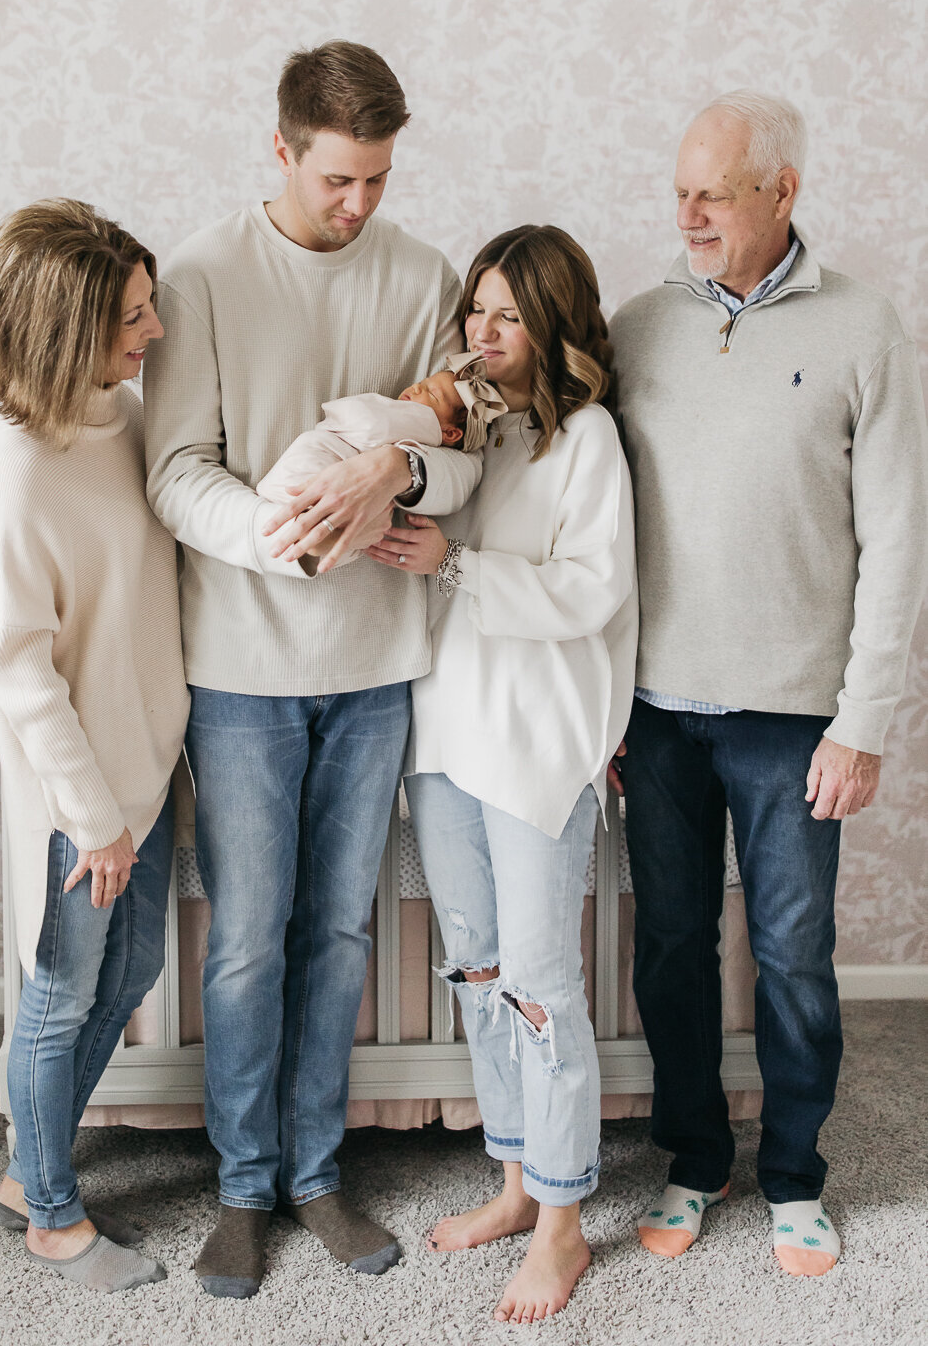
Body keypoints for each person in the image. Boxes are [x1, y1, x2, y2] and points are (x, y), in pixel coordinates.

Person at [143, 40, 481, 1298]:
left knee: (338, 928)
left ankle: (316, 1172)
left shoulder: (425, 272)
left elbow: (467, 452)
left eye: (379, 177)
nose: (360, 204)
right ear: (280, 148)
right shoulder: (202, 274)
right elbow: (173, 468)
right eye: (339, 177)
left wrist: (390, 473)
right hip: (240, 666)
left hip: (378, 661)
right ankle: (240, 1188)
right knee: (246, 943)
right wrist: (284, 537)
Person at [609, 91, 928, 1275]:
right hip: (654, 709)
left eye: (712, 193)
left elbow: (897, 540)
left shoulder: (863, 330)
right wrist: (597, 706)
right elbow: (585, 524)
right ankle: (694, 1161)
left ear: (780, 193)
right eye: (679, 189)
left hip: (795, 718)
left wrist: (863, 723)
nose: (684, 212)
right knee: (672, 946)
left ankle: (793, 1174)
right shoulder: (635, 326)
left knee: (792, 952)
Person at [372, 226, 637, 1324]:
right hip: (446, 742)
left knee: (540, 987)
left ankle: (565, 1223)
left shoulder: (588, 447)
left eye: (507, 314)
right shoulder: (462, 433)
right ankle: (517, 1182)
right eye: (474, 310)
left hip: (537, 751)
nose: (482, 333)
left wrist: (461, 564)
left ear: (552, 324)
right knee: (477, 971)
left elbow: (590, 593)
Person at [0, 200, 189, 1291]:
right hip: (81, 802)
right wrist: (89, 819)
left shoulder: (131, 411)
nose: (153, 330)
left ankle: (26, 1166)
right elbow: (17, 669)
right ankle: (50, 1211)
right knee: (57, 995)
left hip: (148, 769)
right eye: (132, 317)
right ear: (66, 334)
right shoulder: (18, 472)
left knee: (135, 964)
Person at [256, 354, 506, 558]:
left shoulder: (417, 438)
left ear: (449, 433)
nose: (417, 387)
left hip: (316, 484)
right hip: (311, 473)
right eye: (425, 382)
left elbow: (367, 422)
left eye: (431, 395)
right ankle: (319, 535)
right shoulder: (410, 438)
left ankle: (320, 536)